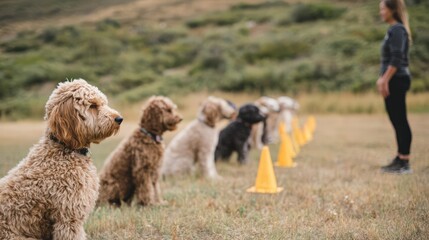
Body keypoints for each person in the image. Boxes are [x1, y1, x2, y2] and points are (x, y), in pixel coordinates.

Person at [377, 0, 412, 174]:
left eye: (383, 9)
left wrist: (384, 80)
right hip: (394, 79)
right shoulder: (393, 30)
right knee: (396, 120)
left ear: (392, 10)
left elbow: (397, 59)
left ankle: (404, 163)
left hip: (396, 80)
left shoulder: (398, 30)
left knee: (400, 120)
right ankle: (400, 158)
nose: (381, 12)